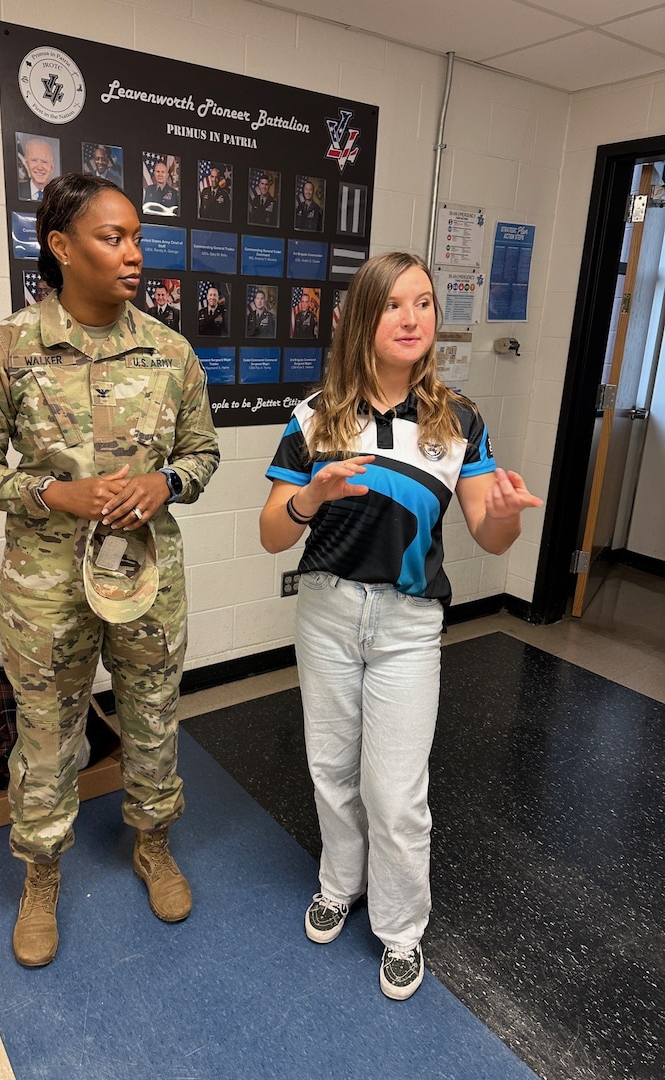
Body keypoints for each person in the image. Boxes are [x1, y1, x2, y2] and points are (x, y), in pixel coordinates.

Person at [0, 174, 219, 968]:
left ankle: (154, 844)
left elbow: (203, 454)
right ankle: (41, 874)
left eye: (137, 237)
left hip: (146, 579)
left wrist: (164, 482)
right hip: (45, 588)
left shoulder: (171, 352)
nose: (134, 253)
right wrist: (53, 490)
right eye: (113, 237)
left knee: (154, 715)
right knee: (47, 734)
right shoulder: (4, 349)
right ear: (62, 247)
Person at [259, 251, 541, 1001]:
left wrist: (507, 519)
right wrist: (311, 496)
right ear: (361, 320)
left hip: (409, 625)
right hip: (326, 612)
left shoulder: (460, 421)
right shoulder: (317, 415)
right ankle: (338, 883)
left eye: (423, 304)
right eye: (393, 305)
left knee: (395, 789)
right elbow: (270, 535)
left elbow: (488, 533)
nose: (412, 318)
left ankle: (401, 928)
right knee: (331, 768)